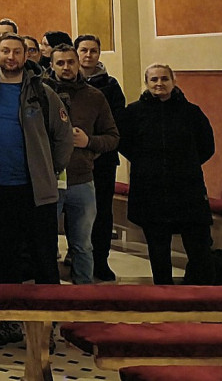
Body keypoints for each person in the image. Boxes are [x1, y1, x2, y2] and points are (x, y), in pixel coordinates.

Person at [0, 33, 73, 348]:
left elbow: (64, 138)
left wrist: (48, 169)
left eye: (17, 51)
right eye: (5, 51)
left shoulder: (43, 94)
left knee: (44, 260)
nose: (11, 57)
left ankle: (47, 328)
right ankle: (6, 324)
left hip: (36, 192)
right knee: (5, 259)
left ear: (25, 55)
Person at [118, 64, 217, 286]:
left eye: (164, 78)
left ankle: (204, 300)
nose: (159, 83)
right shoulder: (133, 113)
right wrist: (147, 163)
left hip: (187, 190)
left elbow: (207, 146)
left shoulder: (192, 112)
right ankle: (164, 298)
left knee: (199, 249)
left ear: (174, 81)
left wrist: (183, 165)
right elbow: (124, 144)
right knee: (158, 250)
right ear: (146, 83)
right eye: (154, 80)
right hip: (150, 191)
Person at [47, 44, 119, 285]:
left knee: (83, 245)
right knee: (45, 243)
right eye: (60, 63)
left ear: (78, 63)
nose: (66, 67)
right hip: (48, 181)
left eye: (70, 62)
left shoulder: (94, 96)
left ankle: (83, 298)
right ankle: (50, 297)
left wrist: (88, 141)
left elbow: (112, 137)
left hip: (82, 179)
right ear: (51, 65)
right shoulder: (40, 93)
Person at [75, 34, 127, 281]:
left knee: (102, 212)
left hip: (103, 159)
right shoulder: (62, 82)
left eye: (93, 51)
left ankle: (100, 260)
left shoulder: (111, 86)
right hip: (73, 160)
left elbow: (116, 124)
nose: (88, 55)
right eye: (84, 50)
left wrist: (94, 145)